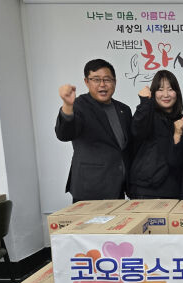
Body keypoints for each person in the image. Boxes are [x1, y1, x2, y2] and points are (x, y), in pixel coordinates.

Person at [55, 59, 132, 202]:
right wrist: (67, 106)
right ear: (86, 82)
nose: (102, 84)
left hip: (117, 186)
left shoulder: (124, 109)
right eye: (96, 79)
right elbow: (64, 134)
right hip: (90, 187)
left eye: (107, 79)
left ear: (115, 82)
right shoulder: (79, 105)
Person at [128, 70, 183, 199]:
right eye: (160, 89)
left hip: (174, 190)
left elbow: (180, 160)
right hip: (145, 190)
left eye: (170, 89)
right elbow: (136, 131)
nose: (166, 94)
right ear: (153, 93)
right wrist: (145, 102)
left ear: (177, 93)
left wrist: (177, 134)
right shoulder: (147, 114)